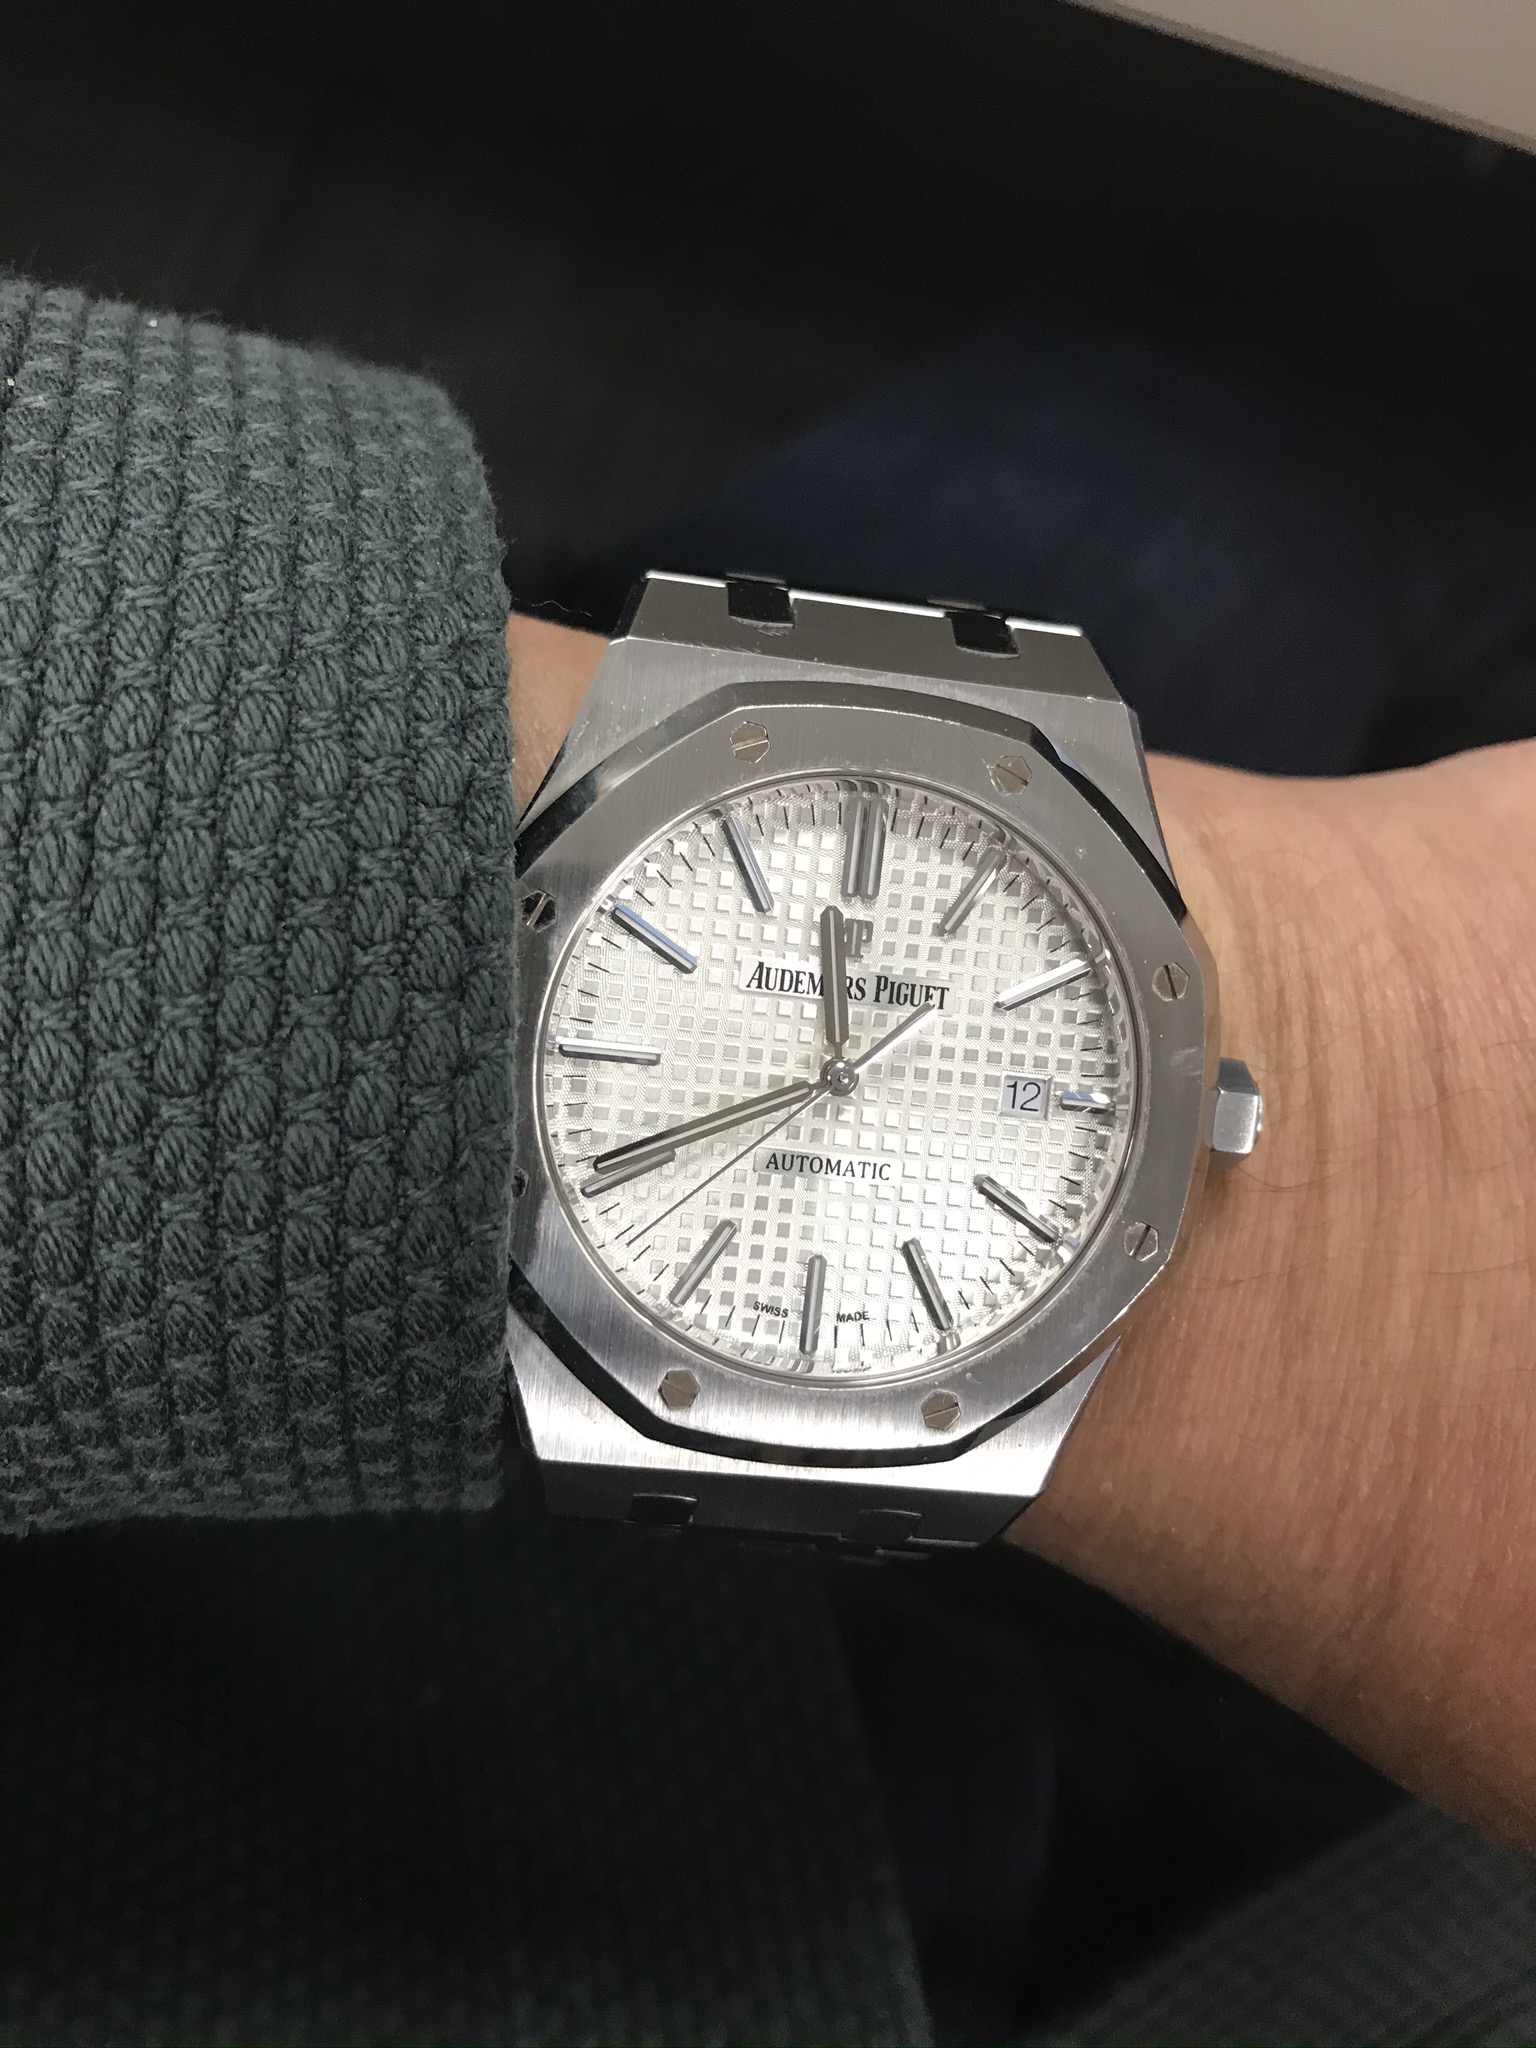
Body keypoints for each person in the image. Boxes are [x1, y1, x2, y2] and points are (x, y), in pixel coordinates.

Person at [2, 271, 1532, 2037]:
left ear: (1211, 1105)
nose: (836, 1080)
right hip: (617, 1826)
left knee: (1221, 449)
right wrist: (1370, 1054)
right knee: (1263, 442)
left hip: (377, 1654)